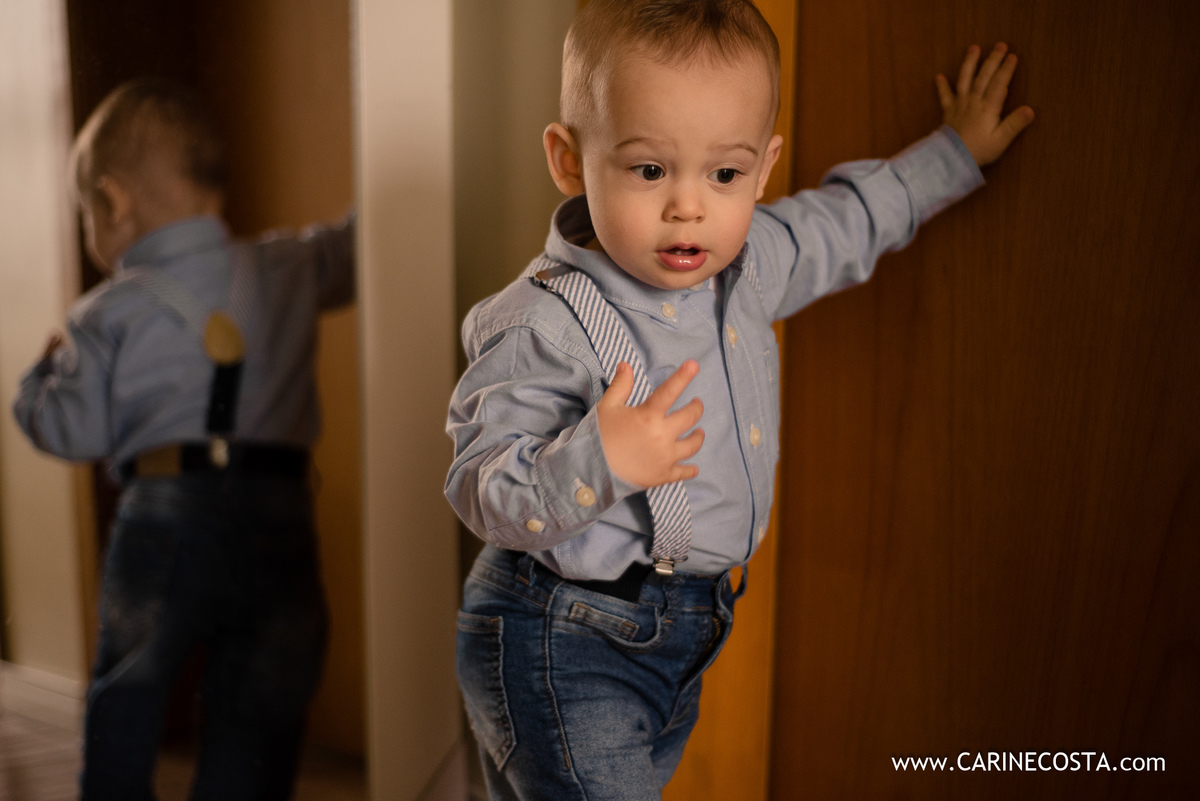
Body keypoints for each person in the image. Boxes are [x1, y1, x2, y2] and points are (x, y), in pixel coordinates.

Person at [445, 1, 1035, 799]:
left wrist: (954, 152)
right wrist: (600, 460)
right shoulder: (541, 323)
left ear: (762, 168)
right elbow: (481, 488)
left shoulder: (749, 265)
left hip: (686, 633)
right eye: (649, 169)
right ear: (568, 158)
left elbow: (848, 222)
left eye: (724, 174)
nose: (689, 205)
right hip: (562, 636)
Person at [12, 77, 354, 800]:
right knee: (261, 703)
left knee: (130, 685)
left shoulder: (102, 314)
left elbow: (74, 431)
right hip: (280, 519)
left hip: (162, 517)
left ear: (113, 201)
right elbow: (368, 240)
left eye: (85, 212)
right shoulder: (290, 265)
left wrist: (36, 385)